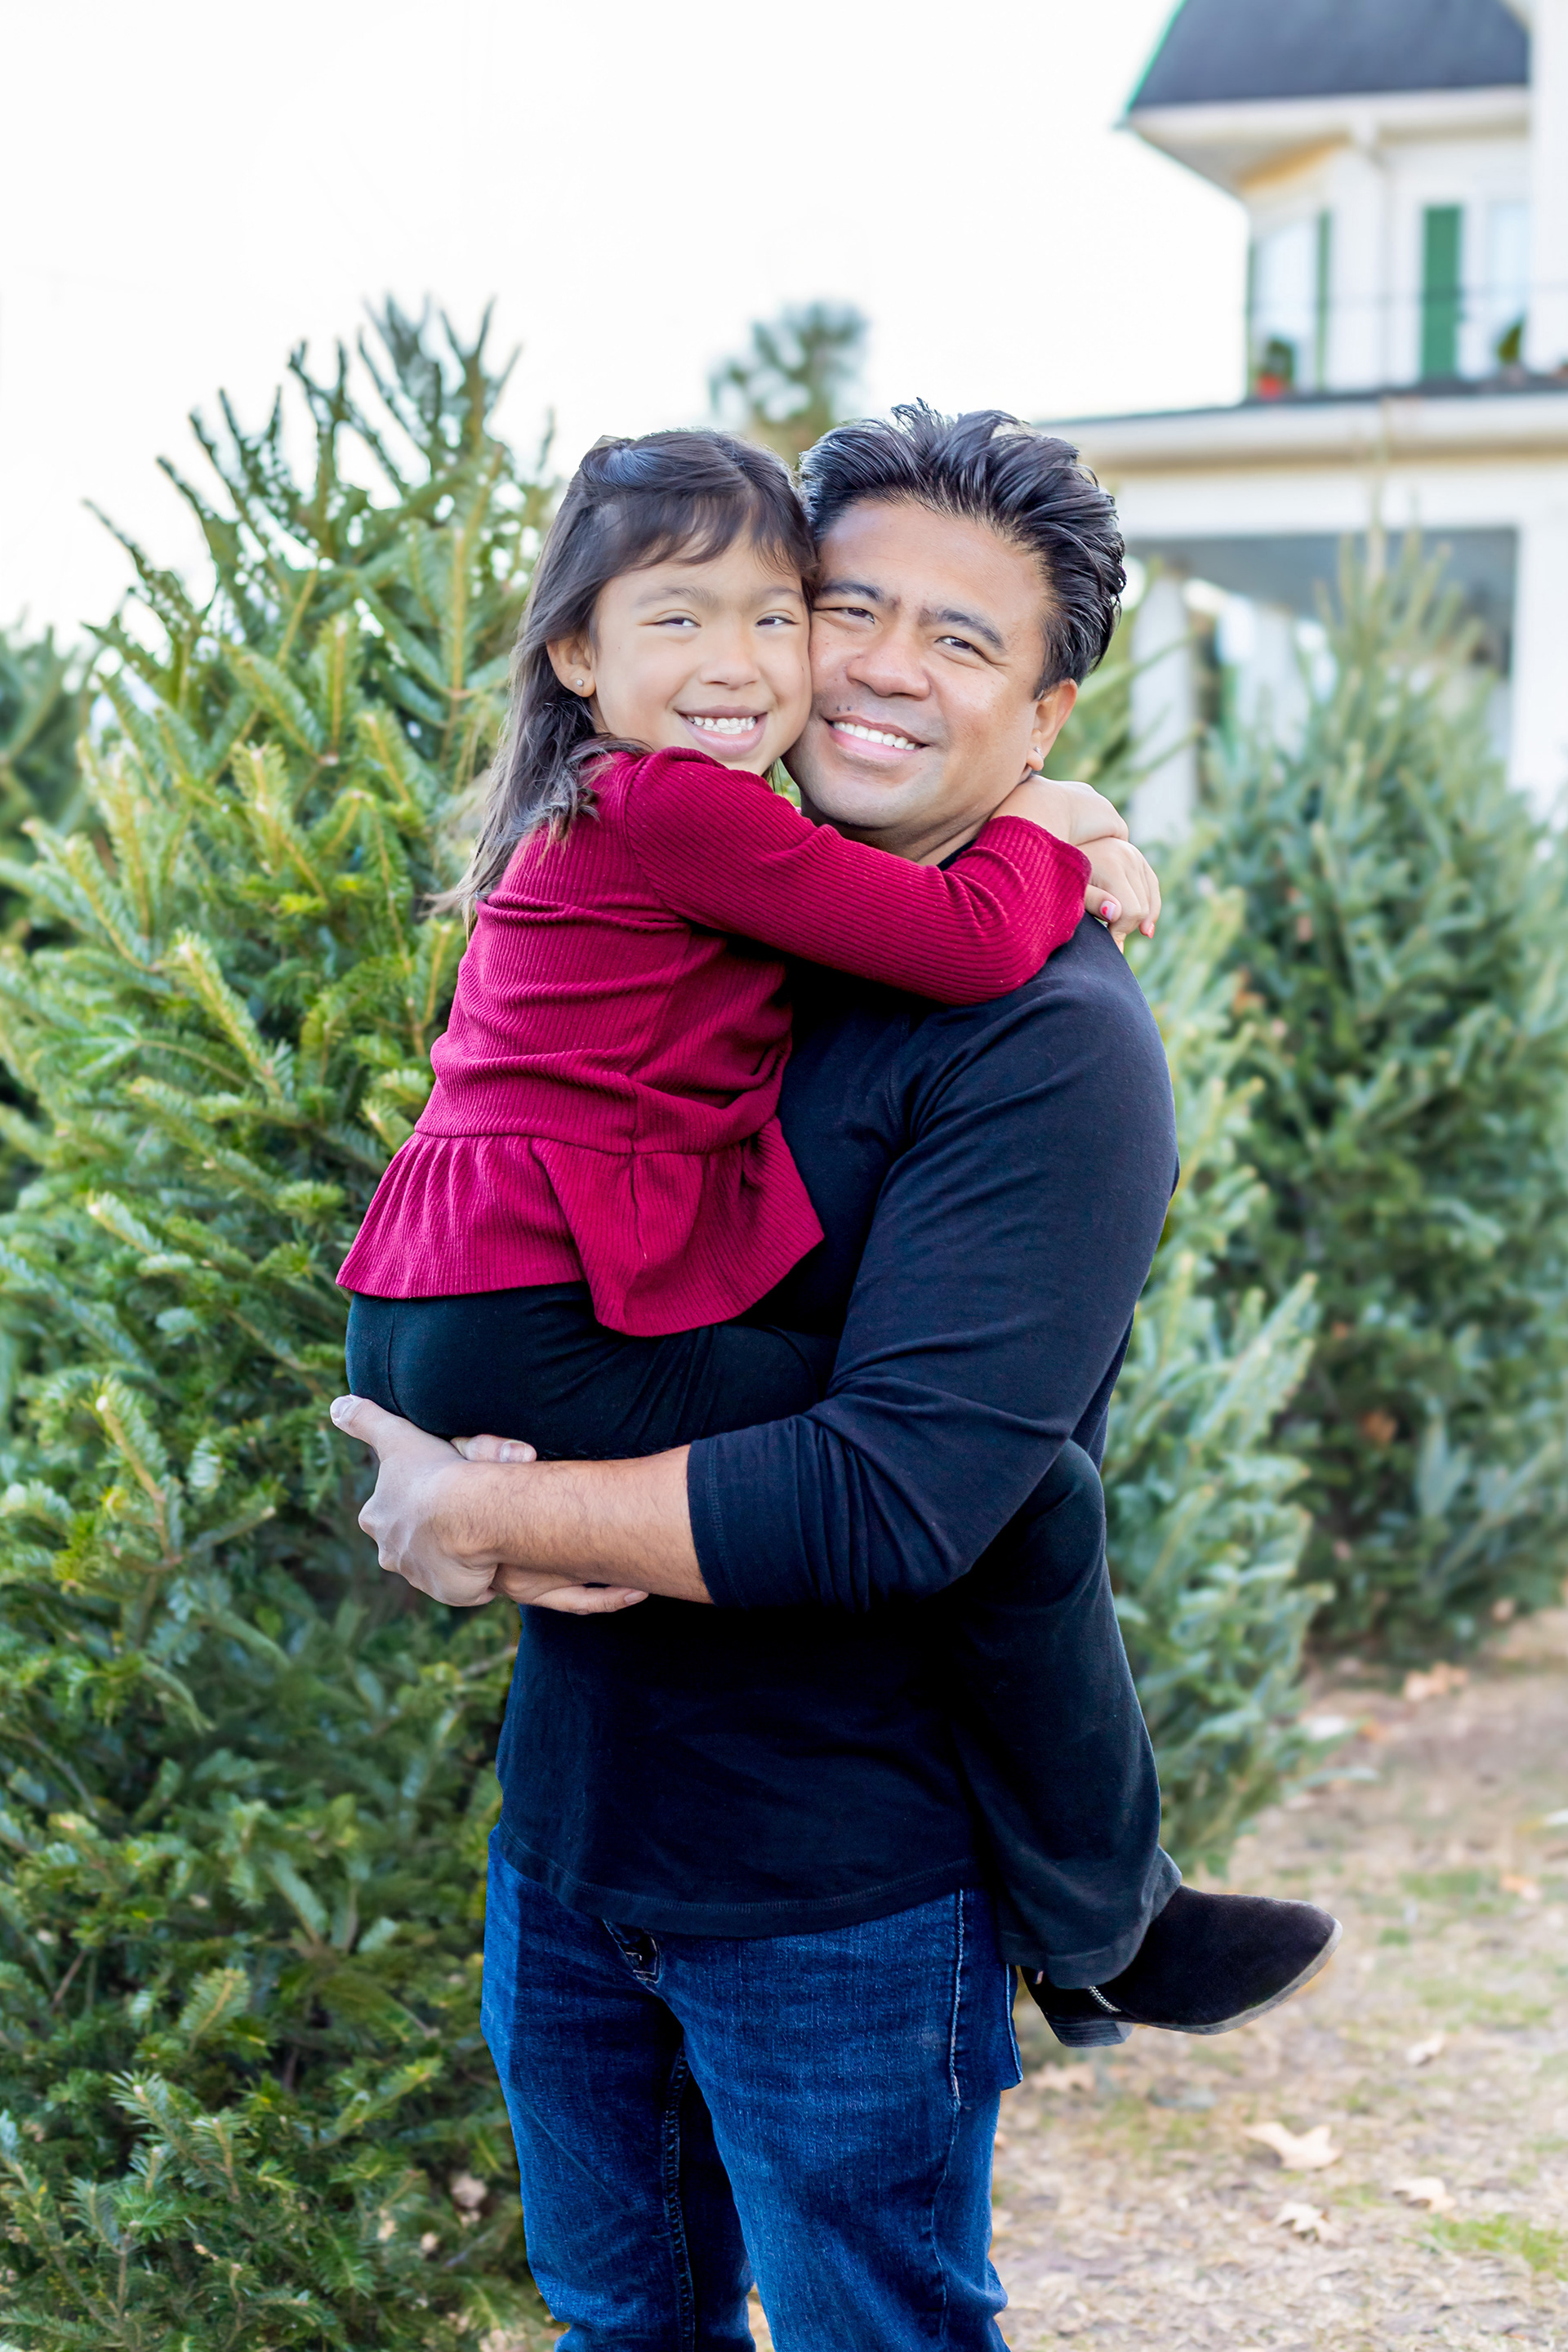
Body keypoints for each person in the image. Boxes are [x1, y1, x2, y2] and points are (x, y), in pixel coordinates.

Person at [334, 406, 1338, 2351]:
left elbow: (896, 1496)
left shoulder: (1049, 1042)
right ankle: (1115, 1916)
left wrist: (482, 1506)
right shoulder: (730, 898)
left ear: (1044, 714)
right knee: (626, 2326)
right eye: (841, 606)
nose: (872, 666)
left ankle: (1106, 1920)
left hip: (839, 1898)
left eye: (960, 641)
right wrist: (449, 1496)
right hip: (577, 1839)